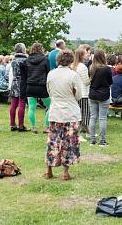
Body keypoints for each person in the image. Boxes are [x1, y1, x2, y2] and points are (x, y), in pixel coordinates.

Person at [44, 49, 83, 181]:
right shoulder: (73, 75)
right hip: (70, 112)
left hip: (55, 111)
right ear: (71, 61)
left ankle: (49, 170)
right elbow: (79, 95)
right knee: (69, 142)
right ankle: (65, 172)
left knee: (53, 141)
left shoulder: (51, 74)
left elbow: (49, 91)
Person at [88, 49, 113, 146]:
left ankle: (92, 139)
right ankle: (102, 140)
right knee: (102, 118)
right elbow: (110, 82)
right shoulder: (106, 69)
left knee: (93, 117)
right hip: (103, 94)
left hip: (93, 94)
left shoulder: (91, 67)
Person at [26, 42, 51, 134]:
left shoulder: (27, 59)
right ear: (41, 49)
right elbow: (48, 72)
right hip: (41, 86)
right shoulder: (45, 59)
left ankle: (33, 127)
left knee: (31, 108)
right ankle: (46, 127)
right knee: (50, 106)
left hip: (30, 85)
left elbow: (26, 73)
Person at [71, 47, 91, 138]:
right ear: (82, 55)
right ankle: (78, 134)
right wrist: (92, 78)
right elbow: (86, 81)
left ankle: (89, 132)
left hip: (75, 93)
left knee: (78, 114)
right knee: (85, 114)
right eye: (86, 53)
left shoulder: (73, 65)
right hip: (83, 93)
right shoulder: (82, 67)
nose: (88, 55)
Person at [9, 43, 29, 132]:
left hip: (14, 82)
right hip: (22, 83)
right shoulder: (25, 60)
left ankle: (13, 124)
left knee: (13, 104)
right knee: (21, 104)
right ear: (22, 49)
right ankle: (21, 125)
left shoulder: (13, 60)